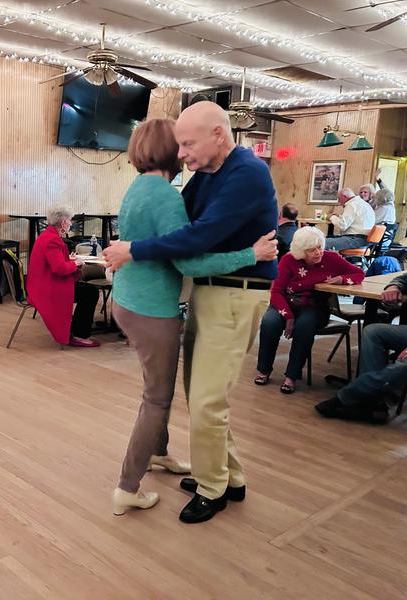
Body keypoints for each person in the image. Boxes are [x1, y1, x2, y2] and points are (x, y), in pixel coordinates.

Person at [103, 101, 278, 524]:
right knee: (200, 395)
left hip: (235, 293)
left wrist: (135, 249)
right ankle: (228, 476)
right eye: (178, 146)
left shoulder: (247, 173)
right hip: (207, 291)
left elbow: (197, 237)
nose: (183, 154)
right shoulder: (205, 174)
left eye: (189, 144)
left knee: (205, 399)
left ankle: (212, 487)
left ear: (218, 134)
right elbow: (184, 233)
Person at [316, 221, 407, 423]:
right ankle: (373, 404)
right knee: (373, 331)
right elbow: (404, 279)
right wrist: (393, 287)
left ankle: (348, 397)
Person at [255, 227, 364, 394]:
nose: (318, 252)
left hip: (314, 306)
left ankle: (291, 376)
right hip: (285, 303)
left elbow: (359, 273)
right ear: (301, 251)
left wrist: (342, 279)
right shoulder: (288, 260)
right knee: (270, 323)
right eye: (312, 250)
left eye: (320, 247)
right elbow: (276, 292)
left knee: (304, 327)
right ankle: (264, 369)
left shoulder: (331, 258)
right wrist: (288, 316)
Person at [26, 205, 100, 348]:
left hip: (42, 283)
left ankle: (75, 330)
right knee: (90, 293)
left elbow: (56, 263)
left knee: (87, 291)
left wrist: (70, 262)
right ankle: (78, 334)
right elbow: (59, 269)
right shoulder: (52, 240)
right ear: (63, 222)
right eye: (70, 220)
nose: (71, 223)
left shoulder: (47, 235)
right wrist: (76, 263)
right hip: (47, 289)